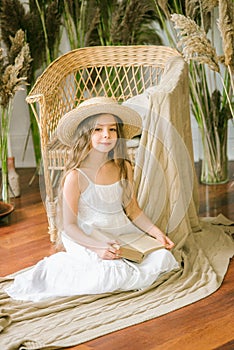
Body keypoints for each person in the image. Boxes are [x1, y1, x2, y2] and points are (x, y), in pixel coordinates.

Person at [6, 97, 179, 302]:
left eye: (112, 129)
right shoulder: (75, 177)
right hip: (87, 237)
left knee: (163, 257)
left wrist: (156, 232)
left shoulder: (124, 167)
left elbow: (132, 209)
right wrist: (96, 247)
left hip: (118, 231)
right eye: (98, 129)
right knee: (111, 273)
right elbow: (69, 226)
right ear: (85, 134)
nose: (106, 135)